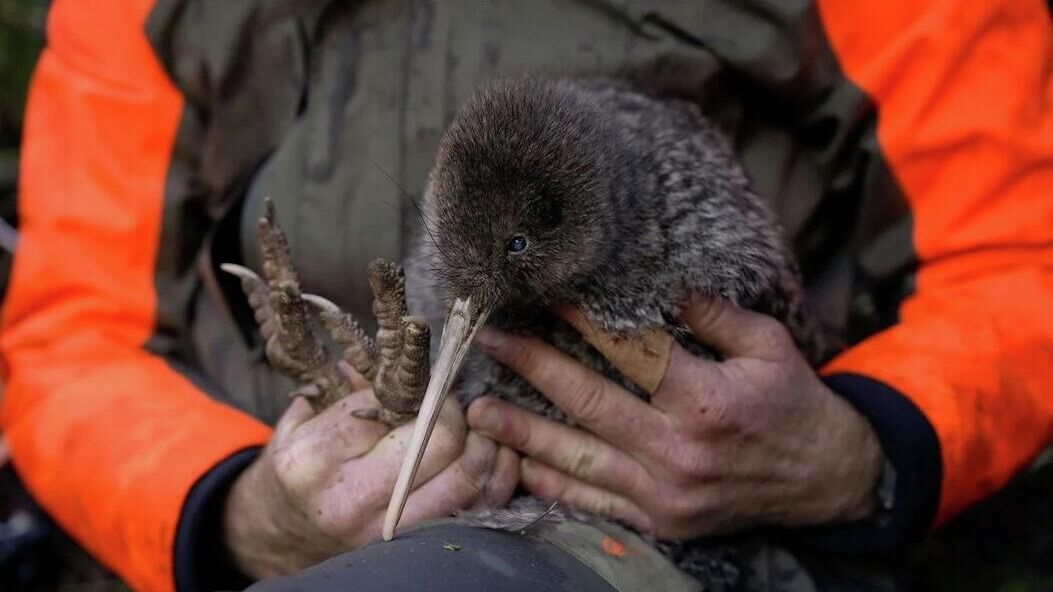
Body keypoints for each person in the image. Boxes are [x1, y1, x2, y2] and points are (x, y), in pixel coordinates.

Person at [1, 0, 1051, 590]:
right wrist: (238, 511)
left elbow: (1022, 253)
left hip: (682, 527)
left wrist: (855, 448)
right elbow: (70, 335)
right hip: (292, 523)